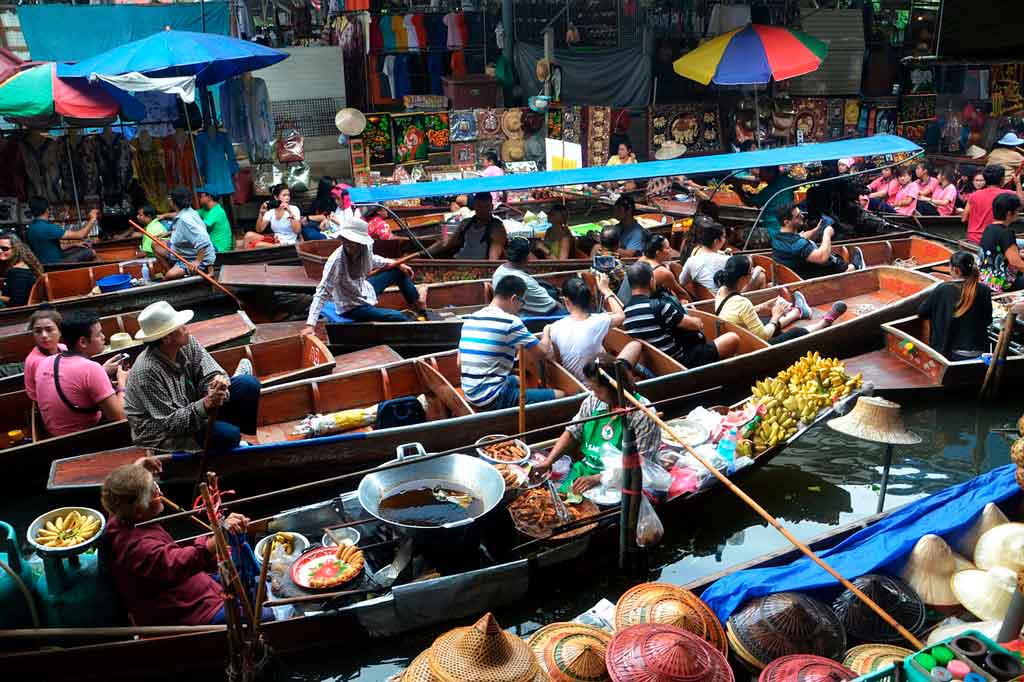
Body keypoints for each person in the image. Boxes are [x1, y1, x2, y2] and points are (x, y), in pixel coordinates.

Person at [102, 460, 268, 626]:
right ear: (138, 510)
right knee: (266, 616)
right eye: (152, 492)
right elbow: (176, 562)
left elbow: (125, 491)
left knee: (251, 579)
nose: (159, 493)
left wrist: (139, 468)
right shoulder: (138, 549)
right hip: (185, 609)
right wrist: (216, 540)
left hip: (189, 583)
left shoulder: (119, 514)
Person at [124, 301, 261, 453]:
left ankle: (236, 437)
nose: (187, 329)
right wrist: (206, 403)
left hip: (193, 407)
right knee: (229, 435)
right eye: (181, 327)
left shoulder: (187, 343)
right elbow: (171, 424)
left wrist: (215, 385)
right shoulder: (147, 372)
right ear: (166, 339)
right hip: (164, 433)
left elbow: (211, 371)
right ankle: (230, 438)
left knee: (248, 384)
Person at [533, 354, 661, 495]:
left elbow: (640, 465)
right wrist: (549, 461)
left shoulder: (642, 414)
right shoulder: (594, 401)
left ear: (612, 387)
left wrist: (598, 478)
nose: (593, 393)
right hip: (588, 468)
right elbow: (573, 431)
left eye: (596, 389)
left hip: (625, 480)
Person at [457, 275, 566, 410]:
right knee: (561, 395)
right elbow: (542, 353)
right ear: (514, 299)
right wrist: (546, 331)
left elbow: (459, 363)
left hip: (469, 393)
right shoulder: (510, 322)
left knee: (517, 380)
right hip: (491, 398)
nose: (521, 308)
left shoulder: (471, 319)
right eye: (522, 303)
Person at [303, 217, 426, 327]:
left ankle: (417, 305)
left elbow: (373, 259)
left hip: (365, 289)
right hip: (352, 306)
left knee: (398, 271)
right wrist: (310, 325)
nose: (348, 243)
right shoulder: (336, 261)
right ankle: (415, 327)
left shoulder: (365, 248)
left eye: (353, 241)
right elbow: (322, 292)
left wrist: (397, 263)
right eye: (346, 239)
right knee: (398, 317)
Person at [623, 262, 740, 368]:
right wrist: (691, 315)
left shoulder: (625, 313)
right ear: (651, 281)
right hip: (680, 362)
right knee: (732, 338)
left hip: (656, 365)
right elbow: (696, 325)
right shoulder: (659, 306)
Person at [713, 255, 846, 345]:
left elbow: (735, 313)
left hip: (738, 336)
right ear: (743, 279)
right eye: (750, 271)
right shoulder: (742, 303)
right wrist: (776, 316)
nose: (753, 272)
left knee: (765, 321)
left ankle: (797, 312)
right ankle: (824, 323)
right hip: (750, 347)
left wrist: (762, 307)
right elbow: (764, 337)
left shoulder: (721, 291)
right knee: (794, 332)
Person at [34, 312, 127, 437]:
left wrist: (102, 370)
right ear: (82, 341)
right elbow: (119, 419)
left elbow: (74, 381)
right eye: (99, 334)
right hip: (82, 440)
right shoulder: (91, 369)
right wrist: (122, 382)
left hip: (52, 437)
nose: (103, 337)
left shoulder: (45, 362)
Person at [541, 275, 641, 381]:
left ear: (566, 301)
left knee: (602, 349)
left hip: (578, 385)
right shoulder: (598, 321)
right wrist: (606, 290)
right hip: (601, 383)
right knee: (636, 344)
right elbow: (621, 315)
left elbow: (558, 360)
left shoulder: (555, 327)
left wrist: (546, 329)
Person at [918, 251, 992, 360]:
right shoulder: (984, 290)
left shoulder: (943, 289)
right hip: (981, 350)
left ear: (955, 269)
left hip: (952, 354)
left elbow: (922, 312)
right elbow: (988, 320)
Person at [771, 204, 863, 279]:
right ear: (787, 222)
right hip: (816, 276)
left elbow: (800, 236)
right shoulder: (796, 244)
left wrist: (816, 230)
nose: (802, 216)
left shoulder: (778, 237)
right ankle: (855, 268)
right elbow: (822, 257)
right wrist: (827, 234)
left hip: (797, 273)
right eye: (798, 216)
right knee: (833, 260)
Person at [679, 219, 766, 295]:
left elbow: (681, 281)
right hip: (726, 301)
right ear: (716, 241)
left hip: (707, 300)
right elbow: (739, 283)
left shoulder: (692, 260)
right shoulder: (727, 260)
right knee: (761, 275)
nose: (725, 240)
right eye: (724, 237)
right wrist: (757, 270)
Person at [154, 187, 216, 281]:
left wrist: (197, 261)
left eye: (170, 199)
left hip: (195, 257)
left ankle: (175, 271)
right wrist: (168, 234)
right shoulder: (187, 211)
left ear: (174, 202)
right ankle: (171, 268)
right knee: (155, 244)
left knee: (169, 276)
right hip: (183, 251)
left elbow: (203, 239)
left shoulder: (185, 219)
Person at [492, 237, 564, 316]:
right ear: (526, 257)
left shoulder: (498, 272)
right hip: (533, 318)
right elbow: (552, 306)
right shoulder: (525, 281)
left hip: (514, 313)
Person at [425, 192, 507, 260]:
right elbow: (446, 244)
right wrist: (421, 253)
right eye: (479, 206)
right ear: (474, 207)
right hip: (458, 261)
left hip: (478, 268)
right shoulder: (466, 223)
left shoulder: (496, 228)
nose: (483, 210)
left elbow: (493, 259)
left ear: (491, 207)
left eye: (486, 207)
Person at [620, 234, 690, 303]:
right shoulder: (662, 272)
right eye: (668, 248)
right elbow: (682, 294)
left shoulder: (642, 259)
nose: (671, 250)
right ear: (658, 253)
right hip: (638, 310)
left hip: (623, 305)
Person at [26, 197, 97, 264]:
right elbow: (81, 235)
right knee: (90, 252)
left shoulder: (30, 228)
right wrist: (92, 219)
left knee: (80, 248)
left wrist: (74, 244)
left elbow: (54, 247)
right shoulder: (48, 227)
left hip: (44, 263)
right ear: (47, 210)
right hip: (57, 265)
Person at [736, 166, 800, 238]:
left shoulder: (768, 191)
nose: (760, 174)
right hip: (786, 228)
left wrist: (738, 190)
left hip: (773, 230)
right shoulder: (787, 181)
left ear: (771, 172)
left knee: (739, 233)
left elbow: (749, 202)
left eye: (762, 171)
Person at [978, 193, 1024, 292]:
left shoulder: (989, 228)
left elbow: (997, 252)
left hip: (985, 279)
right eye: (1017, 211)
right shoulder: (1006, 233)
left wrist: (1018, 254)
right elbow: (1015, 263)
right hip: (1000, 283)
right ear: (1008, 214)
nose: (1018, 214)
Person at [964, 165, 1016, 244]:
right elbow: (1021, 203)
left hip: (972, 238)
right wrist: (1018, 183)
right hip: (993, 239)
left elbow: (964, 218)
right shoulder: (1008, 194)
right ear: (1002, 179)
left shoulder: (973, 195)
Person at [24, 308, 64, 401]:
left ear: (60, 331)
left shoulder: (63, 348)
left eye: (49, 329)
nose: (44, 335)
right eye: (38, 331)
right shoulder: (36, 361)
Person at [246, 184, 302, 248]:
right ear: (276, 197)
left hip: (288, 243)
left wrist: (289, 212)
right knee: (248, 235)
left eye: (288, 195)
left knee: (259, 245)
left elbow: (297, 231)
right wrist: (261, 214)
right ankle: (244, 257)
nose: (287, 198)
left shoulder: (294, 209)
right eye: (284, 195)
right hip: (276, 240)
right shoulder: (271, 211)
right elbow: (259, 229)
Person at [0, 232, 43, 307]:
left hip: (17, 314)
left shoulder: (17, 271)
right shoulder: (21, 265)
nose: (0, 251)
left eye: (4, 248)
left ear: (16, 250)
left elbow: (17, 301)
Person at [303, 177, 338, 241]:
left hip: (329, 228)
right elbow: (311, 215)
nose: (334, 190)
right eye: (332, 187)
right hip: (316, 227)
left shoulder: (334, 201)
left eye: (335, 187)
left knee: (312, 235)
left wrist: (308, 217)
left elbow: (326, 217)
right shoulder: (317, 201)